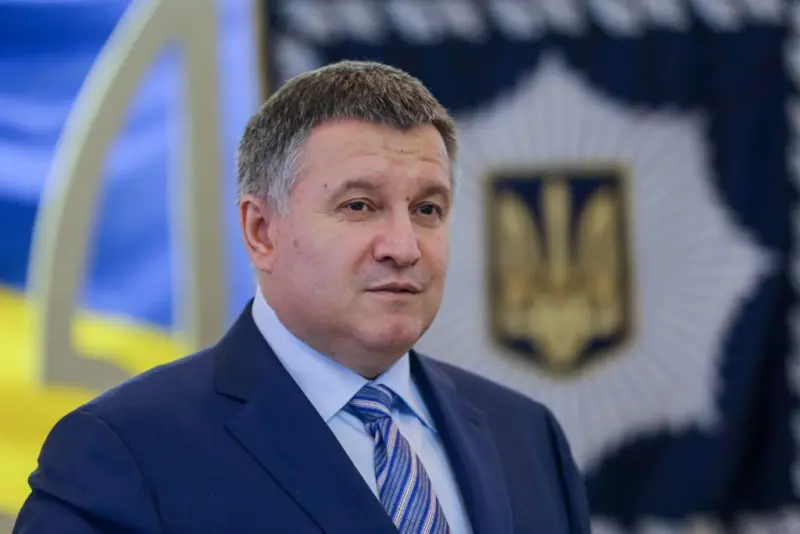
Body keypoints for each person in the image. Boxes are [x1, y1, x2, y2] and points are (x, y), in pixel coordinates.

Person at [13, 61, 591, 534]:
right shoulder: (123, 452)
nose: (404, 246)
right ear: (261, 231)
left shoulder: (527, 436)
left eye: (427, 209)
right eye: (359, 206)